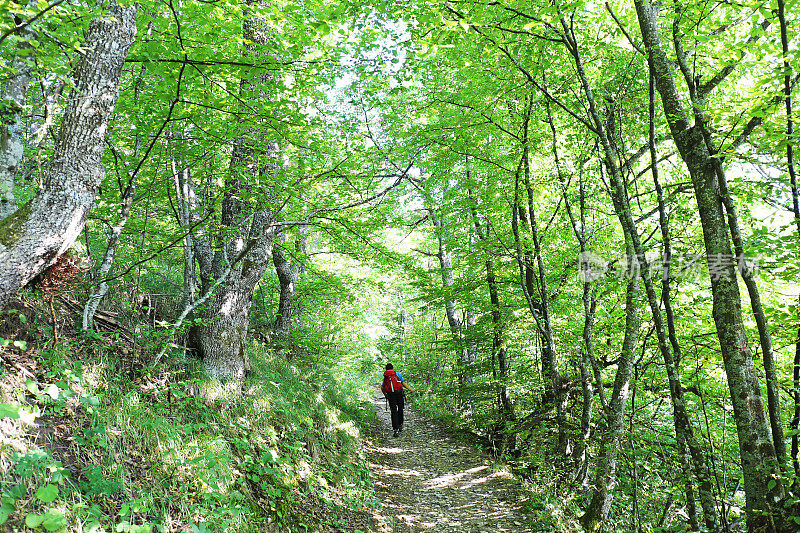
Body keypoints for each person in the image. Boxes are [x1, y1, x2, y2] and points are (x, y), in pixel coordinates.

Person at [382, 363, 415, 437]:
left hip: (391, 395)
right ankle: (400, 424)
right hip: (399, 394)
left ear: (386, 369)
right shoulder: (397, 374)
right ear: (393, 368)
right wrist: (411, 389)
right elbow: (403, 383)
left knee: (393, 411)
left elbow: (382, 387)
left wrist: (386, 395)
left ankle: (395, 429)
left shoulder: (386, 376)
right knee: (400, 409)